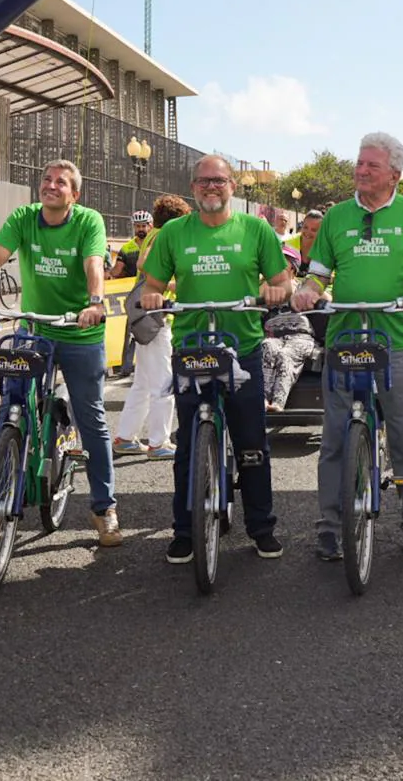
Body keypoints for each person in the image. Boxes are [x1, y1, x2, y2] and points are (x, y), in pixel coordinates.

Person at [291, 132, 403, 561]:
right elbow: (317, 274)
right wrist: (308, 288)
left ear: (394, 174)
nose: (360, 171)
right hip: (344, 338)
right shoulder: (338, 216)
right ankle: (328, 527)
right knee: (335, 440)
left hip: (396, 338)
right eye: (359, 164)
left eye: (371, 166)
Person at [0, 159, 121, 547]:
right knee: (10, 408)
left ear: (75, 195)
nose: (51, 186)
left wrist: (96, 302)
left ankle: (104, 509)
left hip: (79, 331)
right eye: (47, 179)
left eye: (61, 183)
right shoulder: (25, 218)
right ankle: (0, 490)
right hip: (33, 330)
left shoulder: (88, 222)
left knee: (92, 420)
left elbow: (93, 264)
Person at [140, 156, 290, 563]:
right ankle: (185, 531)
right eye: (204, 181)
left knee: (252, 444)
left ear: (232, 188)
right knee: (189, 444)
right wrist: (153, 294)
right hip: (192, 348)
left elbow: (281, 280)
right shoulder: (173, 232)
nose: (212, 187)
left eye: (219, 181)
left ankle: (261, 528)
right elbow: (152, 282)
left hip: (242, 347)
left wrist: (276, 290)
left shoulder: (256, 229)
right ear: (193, 187)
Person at [113, 193, 191, 459]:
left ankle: (125, 437)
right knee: (163, 383)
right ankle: (159, 442)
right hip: (158, 317)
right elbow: (147, 264)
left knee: (143, 383)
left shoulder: (151, 233)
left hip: (145, 317)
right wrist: (172, 285)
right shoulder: (165, 234)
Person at [261, 245, 319, 412]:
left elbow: (326, 298)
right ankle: (263, 400)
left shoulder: (302, 286)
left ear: (293, 270)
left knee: (286, 355)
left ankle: (278, 402)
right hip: (274, 336)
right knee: (267, 348)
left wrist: (313, 293)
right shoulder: (266, 287)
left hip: (300, 336)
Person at [112, 211, 152, 279]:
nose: (141, 229)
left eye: (143, 226)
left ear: (150, 226)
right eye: (138, 226)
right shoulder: (126, 248)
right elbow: (117, 270)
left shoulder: (156, 244)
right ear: (134, 226)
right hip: (132, 287)